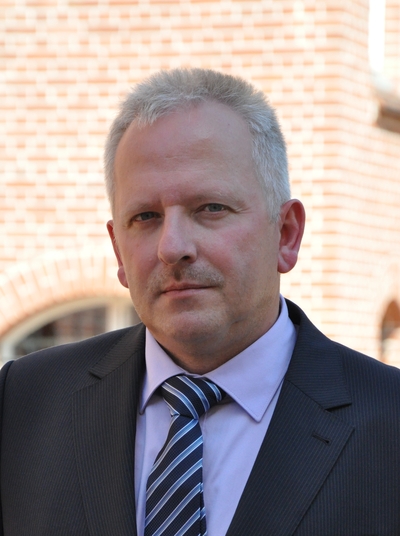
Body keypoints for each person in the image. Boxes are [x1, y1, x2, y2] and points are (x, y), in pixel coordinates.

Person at [1, 68, 400, 536]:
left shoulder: (389, 423)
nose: (172, 247)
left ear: (286, 234)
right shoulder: (22, 405)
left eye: (211, 208)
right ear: (118, 252)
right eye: (145, 216)